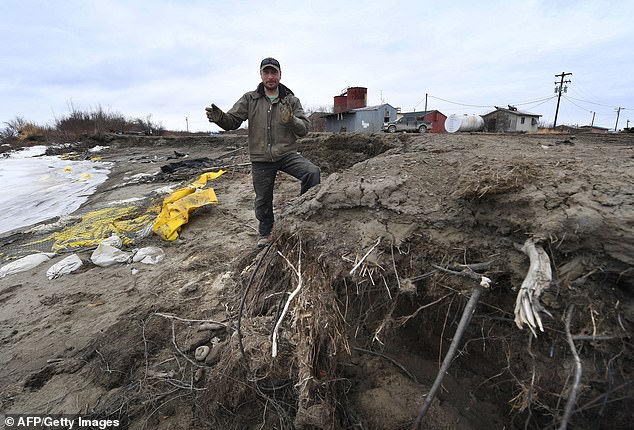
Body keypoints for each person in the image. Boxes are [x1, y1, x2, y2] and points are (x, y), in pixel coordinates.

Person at [206, 57, 320, 247]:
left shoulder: (290, 100)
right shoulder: (250, 99)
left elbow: (304, 129)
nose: (270, 77)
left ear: (280, 75)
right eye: (266, 73)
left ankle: (305, 214)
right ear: (260, 75)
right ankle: (266, 232)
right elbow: (232, 121)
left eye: (273, 72)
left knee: (312, 172)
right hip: (261, 157)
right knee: (263, 198)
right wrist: (220, 119)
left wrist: (291, 120)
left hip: (286, 154)